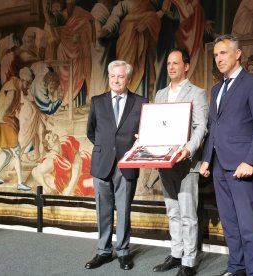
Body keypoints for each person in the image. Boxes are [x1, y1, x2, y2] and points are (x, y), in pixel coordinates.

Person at [199, 35, 253, 276]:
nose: (219, 59)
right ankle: (236, 267)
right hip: (219, 165)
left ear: (237, 54)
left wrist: (251, 161)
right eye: (216, 55)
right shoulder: (217, 88)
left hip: (242, 164)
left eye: (223, 53)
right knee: (229, 222)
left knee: (248, 224)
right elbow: (214, 127)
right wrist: (207, 158)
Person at [85, 60, 148, 271]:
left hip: (127, 163)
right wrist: (106, 149)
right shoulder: (97, 101)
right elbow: (91, 132)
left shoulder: (141, 102)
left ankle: (123, 252)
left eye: (121, 76)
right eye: (113, 76)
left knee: (123, 210)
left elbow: (145, 132)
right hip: (102, 163)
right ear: (109, 78)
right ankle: (103, 251)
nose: (116, 80)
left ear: (128, 79)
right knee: (102, 210)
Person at [153, 49, 208, 276]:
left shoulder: (197, 93)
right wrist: (145, 140)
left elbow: (201, 127)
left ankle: (189, 262)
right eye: (168, 63)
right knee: (172, 211)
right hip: (165, 163)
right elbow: (156, 126)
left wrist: (188, 149)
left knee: (188, 214)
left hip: (187, 163)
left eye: (176, 63)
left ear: (186, 66)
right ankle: (176, 254)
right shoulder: (160, 94)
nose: (172, 67)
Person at [0, 67, 34, 191]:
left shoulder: (16, 86)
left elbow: (12, 107)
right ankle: (20, 183)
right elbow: (6, 105)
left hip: (6, 121)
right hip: (5, 122)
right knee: (16, 152)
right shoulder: (13, 87)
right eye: (28, 84)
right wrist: (1, 120)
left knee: (6, 153)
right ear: (24, 80)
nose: (28, 87)